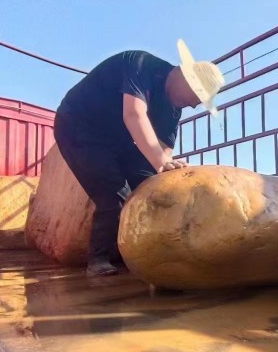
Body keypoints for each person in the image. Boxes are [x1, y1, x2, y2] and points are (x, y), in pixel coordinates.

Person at [54, 40, 224, 276]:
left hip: (118, 139)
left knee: (146, 183)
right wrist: (161, 163)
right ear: (186, 79)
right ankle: (99, 258)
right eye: (197, 97)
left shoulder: (173, 108)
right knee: (115, 194)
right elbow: (134, 115)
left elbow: (163, 151)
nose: (195, 106)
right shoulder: (140, 64)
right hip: (79, 126)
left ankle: (145, 249)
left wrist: (167, 175)